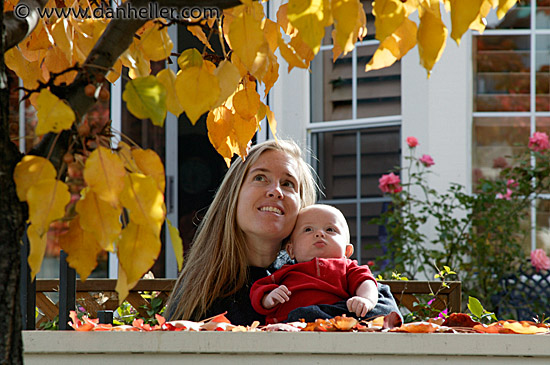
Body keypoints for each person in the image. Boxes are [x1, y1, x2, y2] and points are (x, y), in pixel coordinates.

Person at [165, 139, 317, 325]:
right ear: (233, 195)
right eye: (260, 178)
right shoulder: (201, 291)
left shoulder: (316, 278)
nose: (276, 191)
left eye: (288, 183)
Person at [249, 204, 379, 324]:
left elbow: (366, 282)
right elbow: (258, 289)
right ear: (291, 250)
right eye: (308, 229)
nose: (319, 234)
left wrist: (365, 300)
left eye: (330, 229)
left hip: (334, 328)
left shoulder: (348, 268)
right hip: (285, 328)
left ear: (347, 250)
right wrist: (268, 299)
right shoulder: (284, 272)